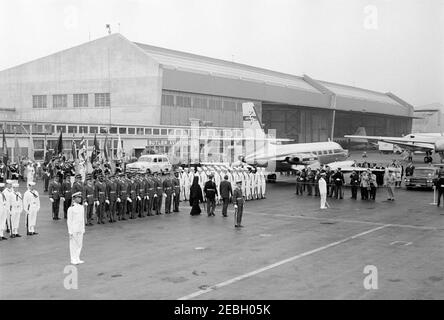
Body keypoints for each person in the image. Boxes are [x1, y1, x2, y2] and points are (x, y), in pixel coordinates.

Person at [67, 191, 85, 265]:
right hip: (74, 229)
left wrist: (83, 228)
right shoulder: (71, 209)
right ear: (74, 199)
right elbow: (69, 221)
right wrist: (70, 231)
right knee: (73, 245)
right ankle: (73, 259)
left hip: (80, 228)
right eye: (78, 197)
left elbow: (82, 219)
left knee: (79, 244)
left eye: (80, 197)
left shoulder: (81, 207)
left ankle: (77, 258)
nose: (80, 199)